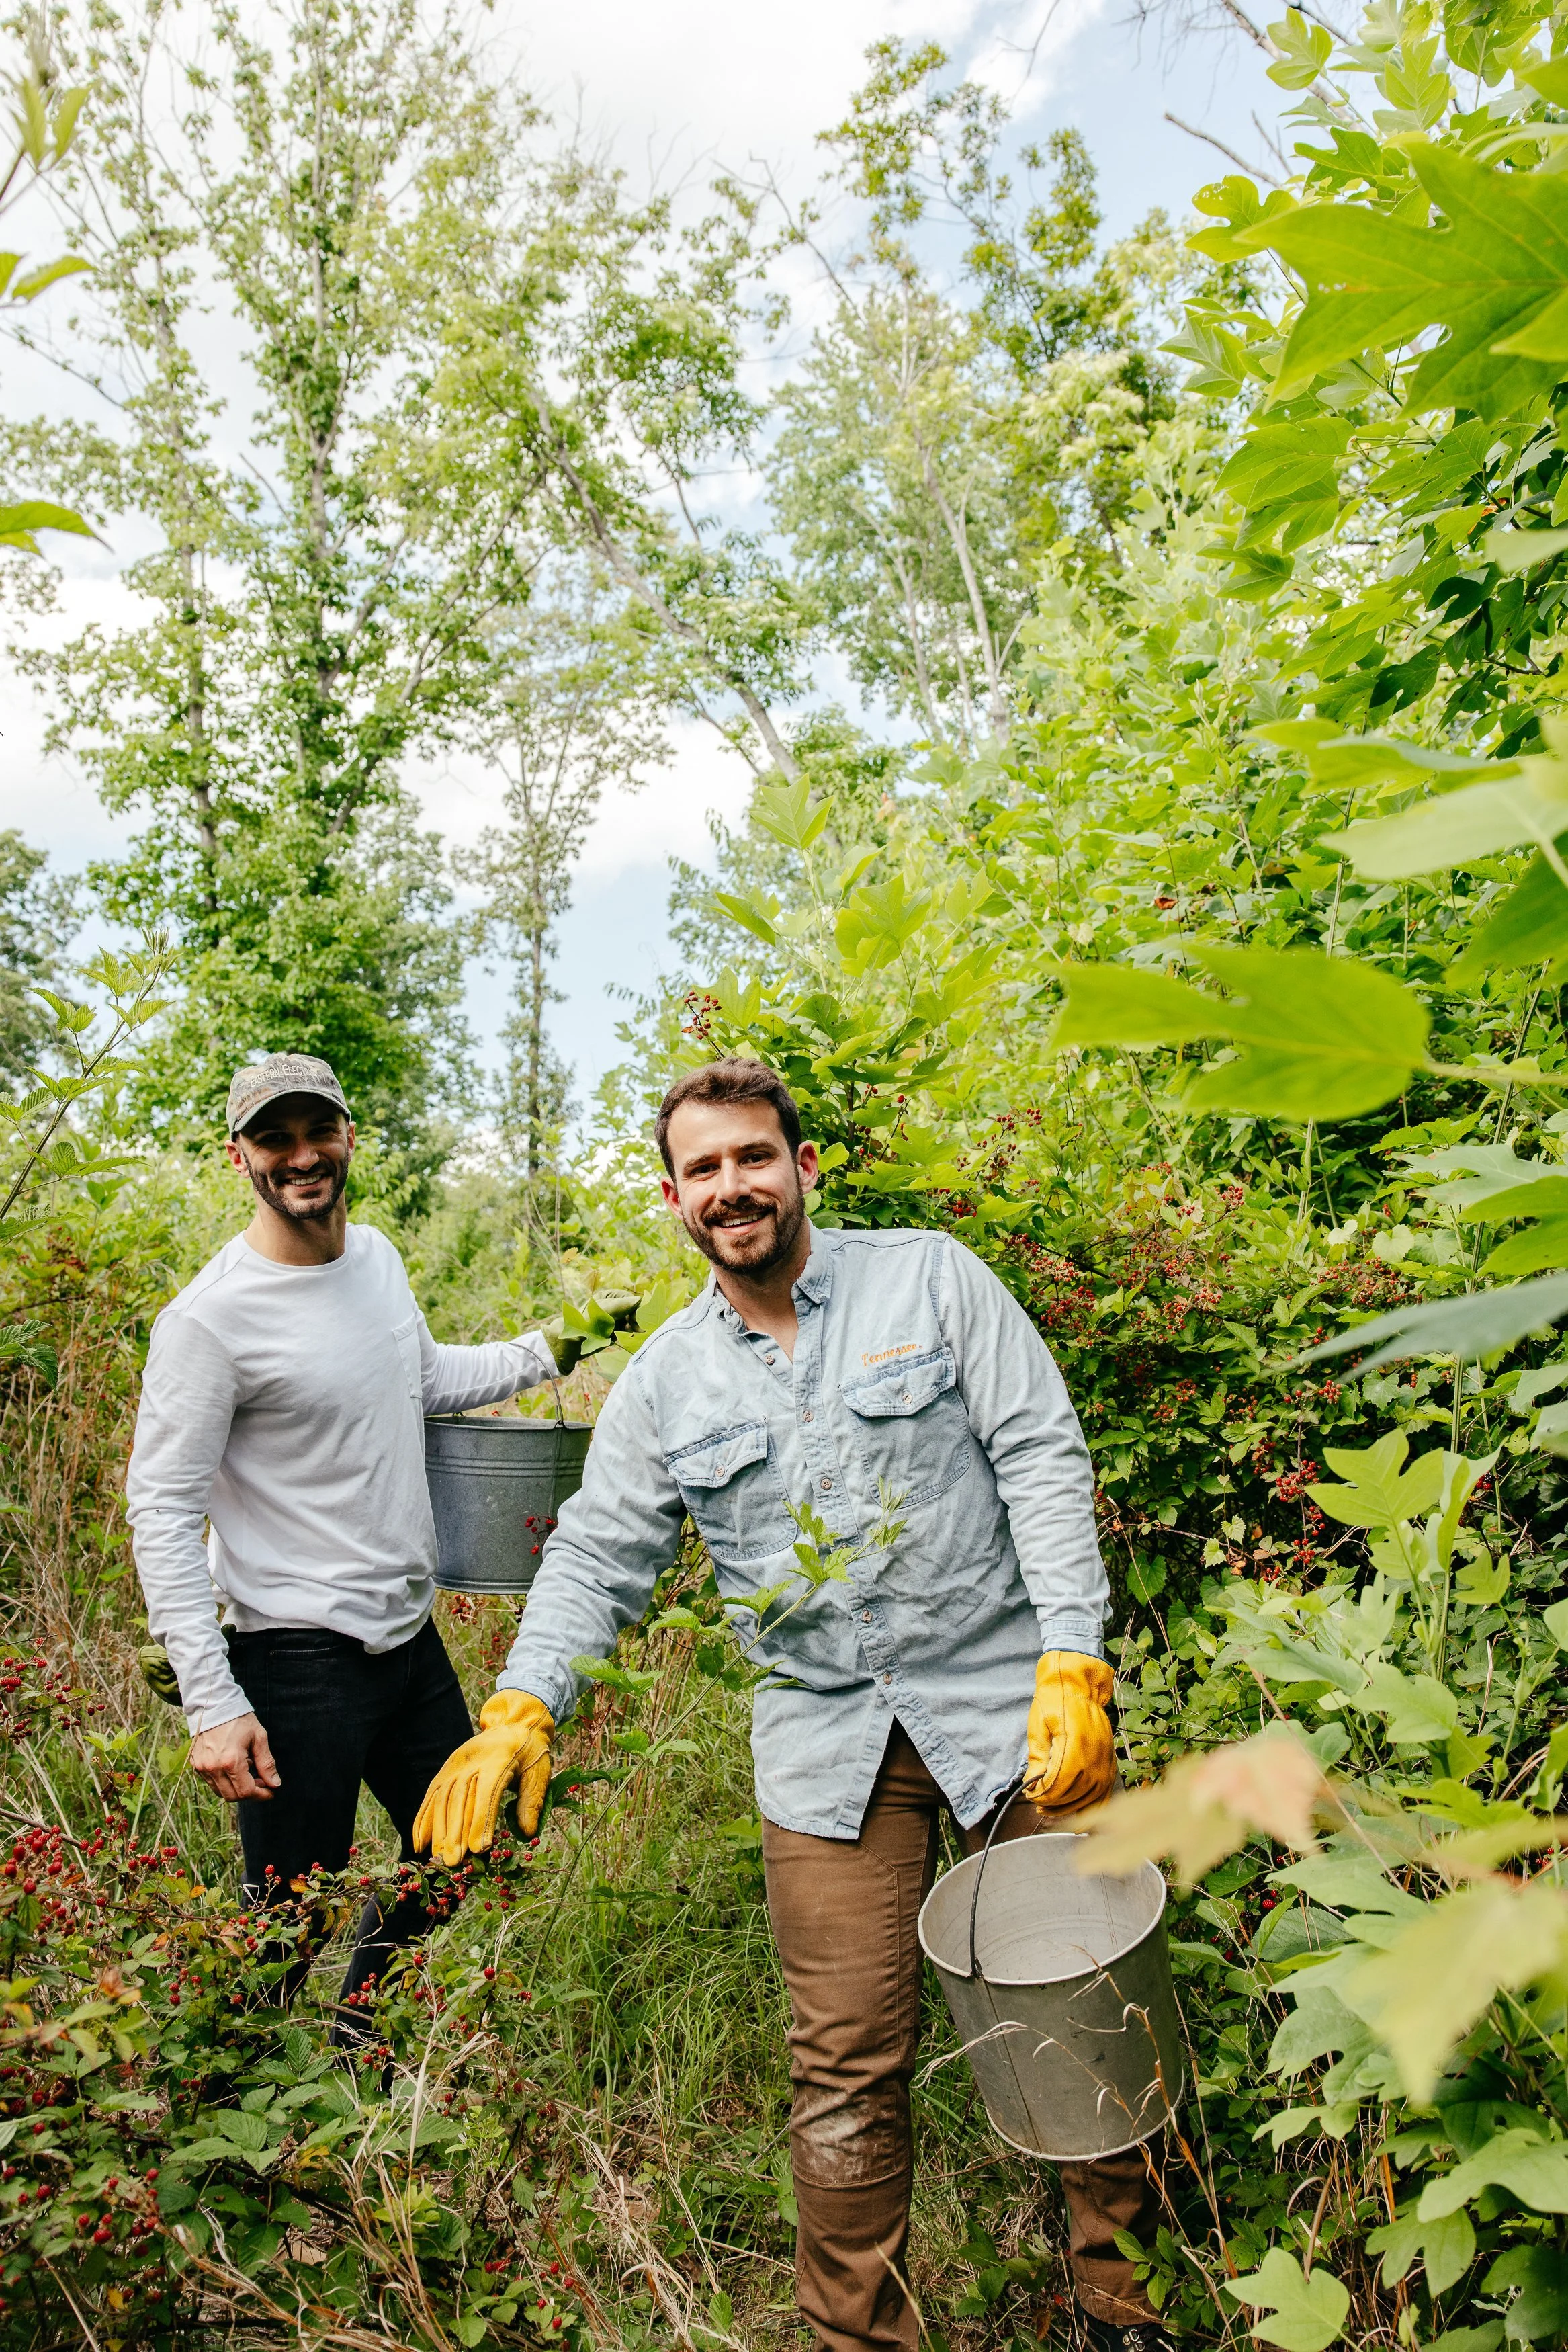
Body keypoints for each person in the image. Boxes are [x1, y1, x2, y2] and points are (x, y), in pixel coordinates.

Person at [415, 1057, 1171, 2352]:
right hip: (829, 1752)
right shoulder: (664, 1382)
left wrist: (1074, 1659)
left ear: (802, 1166)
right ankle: (857, 2341)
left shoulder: (930, 1278)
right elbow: (599, 1554)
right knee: (843, 2077)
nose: (731, 1187)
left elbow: (1041, 1452)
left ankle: (1127, 2308)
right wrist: (519, 1707)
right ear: (672, 1197)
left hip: (1012, 1713)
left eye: (752, 1157)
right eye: (702, 1170)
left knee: (1084, 2013)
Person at [126, 1050, 561, 2041]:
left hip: (405, 1647)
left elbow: (422, 1374)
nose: (300, 1156)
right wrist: (213, 1701)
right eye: (273, 1139)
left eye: (315, 1131)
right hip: (292, 1661)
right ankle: (234, 2148)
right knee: (281, 1931)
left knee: (472, 1841)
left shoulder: (374, 1259)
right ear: (238, 1156)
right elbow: (159, 1510)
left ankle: (357, 2033)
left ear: (349, 1137)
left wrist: (551, 1349)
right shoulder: (209, 1321)